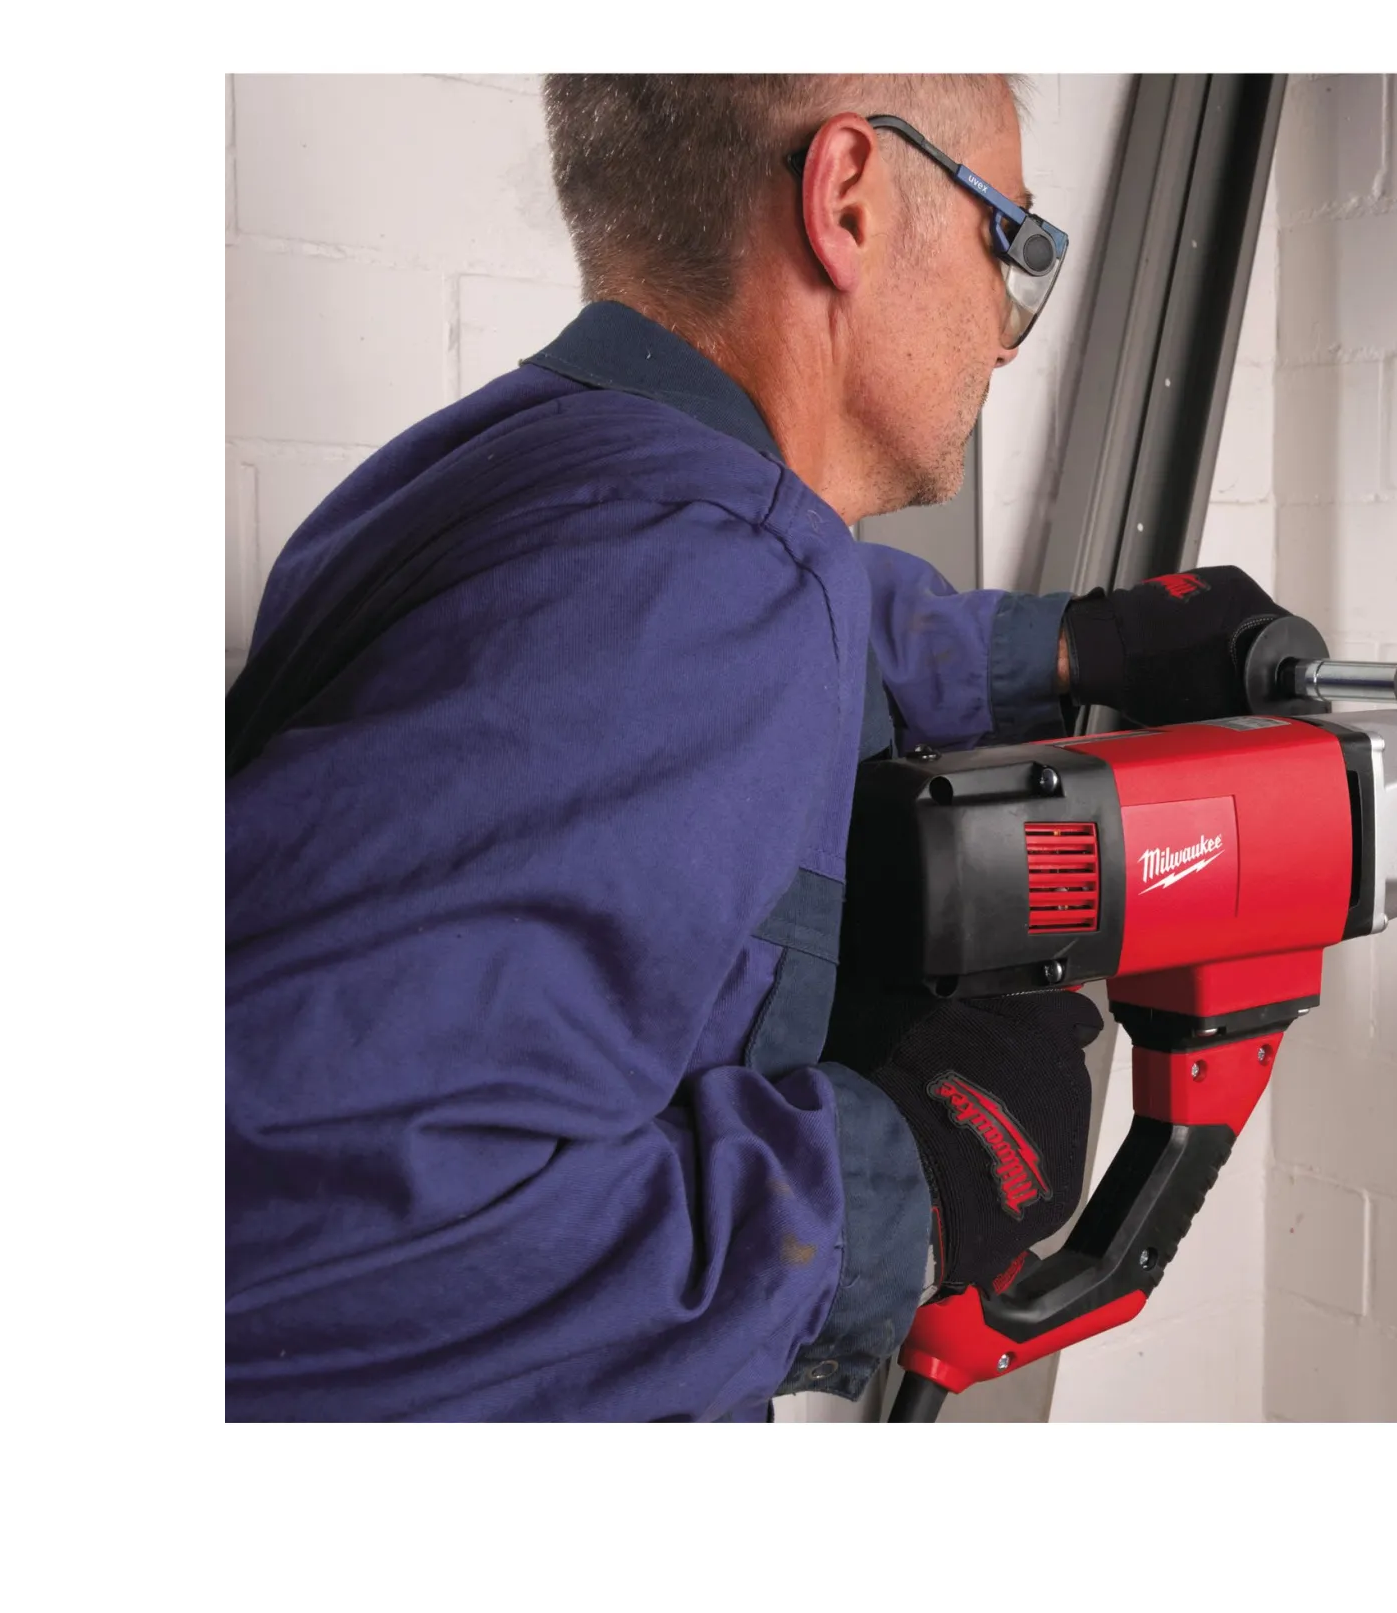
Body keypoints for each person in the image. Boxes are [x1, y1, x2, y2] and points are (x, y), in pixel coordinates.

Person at [226, 74, 1284, 1420]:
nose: (1007, 338)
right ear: (847, 202)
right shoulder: (709, 576)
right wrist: (906, 1184)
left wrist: (1069, 646)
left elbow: (736, 607)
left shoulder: (495, 471)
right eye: (1011, 242)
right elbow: (316, 1245)